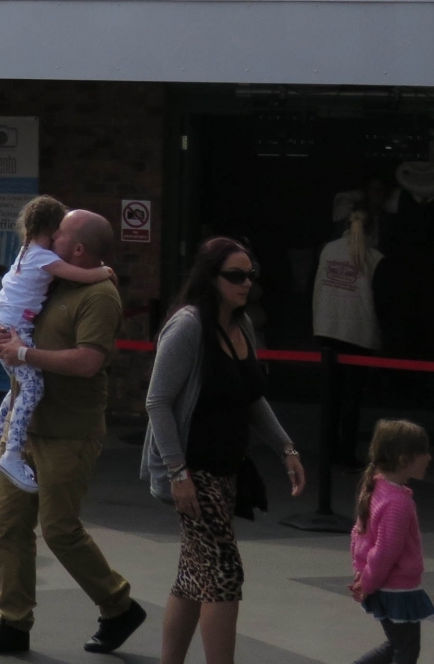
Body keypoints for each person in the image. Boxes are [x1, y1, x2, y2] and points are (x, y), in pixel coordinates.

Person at [0, 210, 146, 656]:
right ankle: (13, 622)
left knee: (60, 529)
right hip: (24, 429)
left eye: (58, 232)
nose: (49, 236)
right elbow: (1, 312)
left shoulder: (99, 295)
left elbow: (88, 361)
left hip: (69, 431)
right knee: (9, 525)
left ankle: (118, 605)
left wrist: (24, 354)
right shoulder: (48, 275)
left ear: (78, 249)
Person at [143, 238, 304, 664]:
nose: (245, 283)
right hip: (194, 472)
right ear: (211, 278)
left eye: (250, 275)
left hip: (227, 469)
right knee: (225, 575)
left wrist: (285, 447)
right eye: (235, 275)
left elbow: (251, 396)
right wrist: (177, 473)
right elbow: (157, 402)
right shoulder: (189, 326)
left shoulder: (241, 324)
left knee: (193, 576)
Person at [0, 196, 118, 491]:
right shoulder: (47, 261)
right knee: (31, 387)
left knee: (20, 387)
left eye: (62, 233)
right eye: (56, 230)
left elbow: (87, 362)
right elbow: (84, 275)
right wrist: (105, 271)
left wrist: (11, 344)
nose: (57, 236)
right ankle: (10, 452)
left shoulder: (31, 255)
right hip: (12, 328)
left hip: (63, 430)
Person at [350, 419, 434, 664]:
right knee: (406, 652)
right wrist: (367, 582)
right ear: (403, 459)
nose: (429, 458)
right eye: (423, 452)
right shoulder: (397, 503)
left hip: (384, 587)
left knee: (396, 645)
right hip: (397, 590)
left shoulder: (377, 489)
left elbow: (359, 536)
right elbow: (385, 552)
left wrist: (362, 575)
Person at [314, 205, 382, 465]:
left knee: (330, 396)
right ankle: (347, 454)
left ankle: (327, 451)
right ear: (373, 229)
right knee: (352, 398)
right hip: (358, 334)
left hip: (326, 329)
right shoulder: (374, 257)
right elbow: (382, 302)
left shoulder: (328, 250)